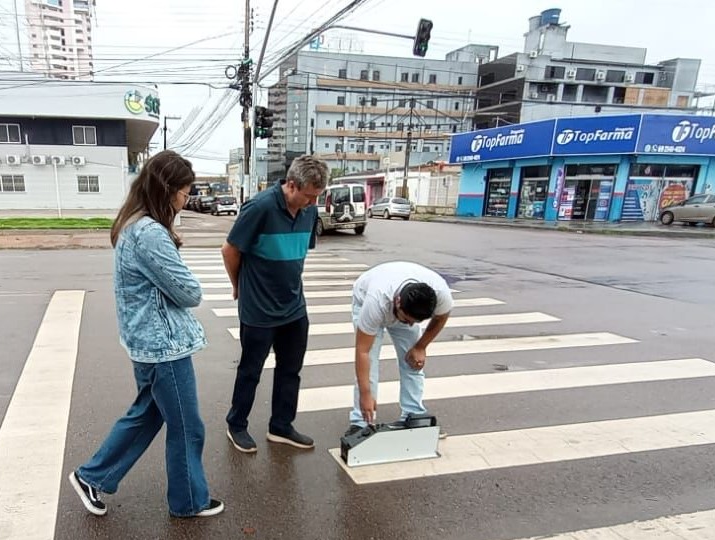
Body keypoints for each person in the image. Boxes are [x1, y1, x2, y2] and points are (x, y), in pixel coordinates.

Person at [67, 150, 223, 519]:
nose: (186, 200)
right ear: (167, 190)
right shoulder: (150, 233)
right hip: (162, 347)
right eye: (185, 193)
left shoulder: (133, 223)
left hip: (147, 341)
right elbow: (190, 293)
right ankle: (189, 501)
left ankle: (93, 475)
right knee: (188, 427)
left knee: (148, 415)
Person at [222, 155, 330, 454]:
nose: (311, 203)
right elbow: (230, 250)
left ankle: (281, 426)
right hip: (258, 309)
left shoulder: (309, 211)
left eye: (316, 197)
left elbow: (296, 255)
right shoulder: (260, 207)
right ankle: (237, 424)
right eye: (308, 196)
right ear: (291, 185)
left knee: (290, 370)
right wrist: (238, 286)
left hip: (294, 307)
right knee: (251, 370)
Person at [347, 261, 454, 432]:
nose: (411, 325)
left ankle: (413, 413)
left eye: (416, 322)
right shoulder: (376, 302)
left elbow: (441, 318)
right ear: (397, 302)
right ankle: (361, 421)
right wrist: (365, 395)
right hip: (366, 299)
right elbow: (363, 352)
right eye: (407, 320)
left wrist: (421, 346)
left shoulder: (440, 293)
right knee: (370, 363)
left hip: (399, 302)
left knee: (413, 362)